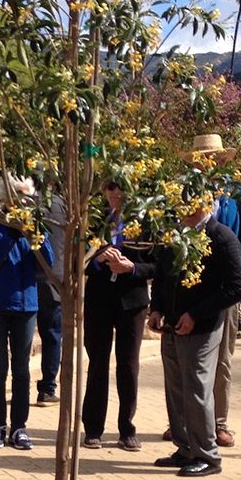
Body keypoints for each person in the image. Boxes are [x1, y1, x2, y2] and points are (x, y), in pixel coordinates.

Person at [149, 199, 241, 477]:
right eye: (181, 202)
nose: (185, 209)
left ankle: (208, 456)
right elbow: (161, 275)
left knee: (197, 390)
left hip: (202, 327)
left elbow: (235, 288)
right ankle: (185, 448)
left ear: (206, 205)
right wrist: (156, 308)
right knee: (175, 387)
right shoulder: (173, 235)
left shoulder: (222, 238)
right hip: (172, 325)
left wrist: (195, 314)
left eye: (192, 204)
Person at [194, 134, 241, 449]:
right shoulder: (184, 191)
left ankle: (218, 423)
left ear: (223, 160)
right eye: (202, 157)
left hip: (225, 289)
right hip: (190, 287)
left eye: (213, 157)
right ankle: (183, 420)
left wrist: (238, 270)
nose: (208, 162)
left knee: (222, 358)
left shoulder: (240, 195)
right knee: (185, 357)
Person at [81, 180, 157, 451]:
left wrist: (131, 267)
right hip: (99, 300)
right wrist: (99, 259)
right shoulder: (95, 220)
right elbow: (79, 260)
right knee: (97, 363)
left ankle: (127, 429)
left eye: (120, 187)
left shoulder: (147, 220)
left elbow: (157, 265)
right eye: (110, 188)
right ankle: (92, 428)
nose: (115, 193)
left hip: (132, 301)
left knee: (128, 365)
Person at [0, 177, 54, 451]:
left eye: (26, 198)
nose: (21, 203)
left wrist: (33, 234)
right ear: (5, 199)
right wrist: (12, 233)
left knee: (21, 369)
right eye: (16, 197)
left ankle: (19, 427)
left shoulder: (34, 226)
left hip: (26, 306)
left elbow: (49, 262)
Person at [35, 192, 66, 406]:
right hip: (55, 277)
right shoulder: (63, 204)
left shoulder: (26, 203)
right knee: (52, 335)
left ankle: (42, 386)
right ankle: (47, 387)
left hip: (32, 276)